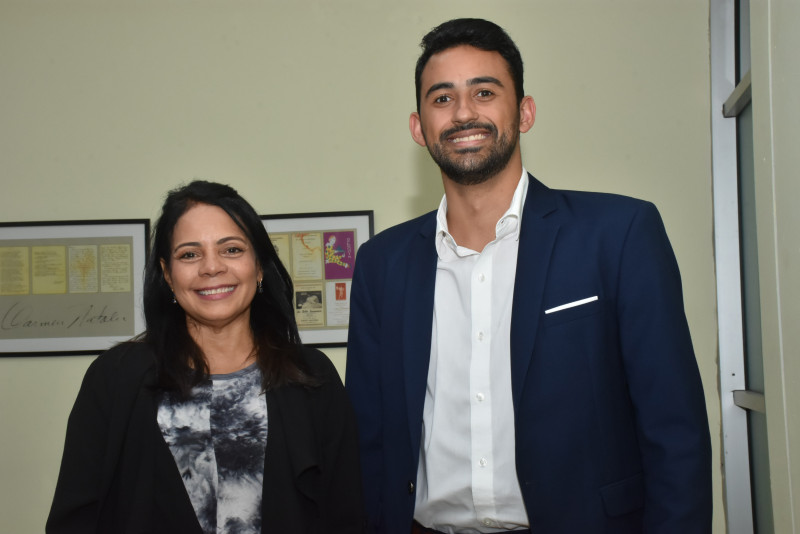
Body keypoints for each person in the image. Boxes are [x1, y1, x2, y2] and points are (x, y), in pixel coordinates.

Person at [345, 18, 712, 534]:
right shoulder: (382, 264)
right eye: (442, 98)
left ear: (525, 111)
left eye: (485, 91)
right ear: (418, 127)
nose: (464, 112)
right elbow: (369, 440)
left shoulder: (618, 234)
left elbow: (675, 433)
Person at [47, 180, 365, 533]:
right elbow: (74, 519)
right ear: (167, 274)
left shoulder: (311, 375)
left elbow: (347, 513)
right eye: (189, 254)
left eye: (231, 250)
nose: (211, 267)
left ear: (259, 267)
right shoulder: (115, 378)